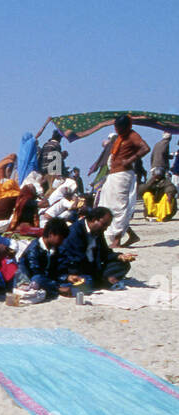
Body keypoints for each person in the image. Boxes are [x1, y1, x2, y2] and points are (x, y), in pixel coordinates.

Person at [57, 206, 135, 291]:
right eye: (104, 225)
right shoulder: (75, 232)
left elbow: (105, 252)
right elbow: (78, 260)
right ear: (94, 219)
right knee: (86, 281)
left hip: (94, 267)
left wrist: (119, 256)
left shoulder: (98, 231)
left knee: (123, 264)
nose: (105, 229)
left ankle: (103, 280)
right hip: (79, 268)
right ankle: (102, 280)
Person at [100, 114, 150, 247]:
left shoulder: (132, 135)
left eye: (120, 128)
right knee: (107, 205)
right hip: (113, 174)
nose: (118, 130)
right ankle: (131, 235)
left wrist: (130, 159)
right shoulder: (120, 137)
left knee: (118, 207)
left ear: (127, 126)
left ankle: (117, 240)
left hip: (123, 174)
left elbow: (145, 148)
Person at [9, 218, 68, 304]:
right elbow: (35, 272)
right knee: (37, 280)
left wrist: (66, 277)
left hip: (45, 278)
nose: (62, 242)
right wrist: (57, 287)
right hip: (29, 279)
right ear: (51, 234)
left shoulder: (54, 248)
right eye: (61, 238)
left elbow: (57, 268)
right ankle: (56, 289)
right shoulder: (34, 249)